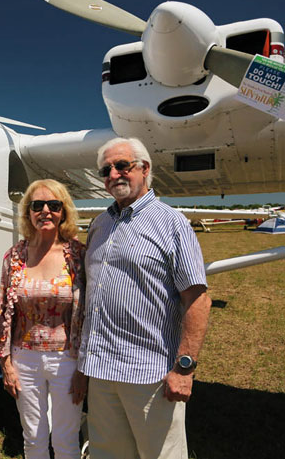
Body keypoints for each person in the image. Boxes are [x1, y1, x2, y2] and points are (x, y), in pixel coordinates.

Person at [77, 137, 212, 459]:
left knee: (161, 455)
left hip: (149, 372)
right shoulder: (100, 224)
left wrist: (184, 368)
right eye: (105, 170)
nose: (113, 174)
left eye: (122, 165)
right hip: (101, 368)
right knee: (108, 453)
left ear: (145, 169)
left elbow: (197, 298)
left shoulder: (171, 222)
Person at [0, 179, 87, 459]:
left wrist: (83, 369)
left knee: (65, 438)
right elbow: (3, 313)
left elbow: (89, 313)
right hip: (24, 359)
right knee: (32, 438)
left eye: (54, 205)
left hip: (67, 360)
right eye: (38, 205)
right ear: (28, 213)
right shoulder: (14, 257)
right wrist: (6, 363)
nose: (45, 211)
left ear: (64, 212)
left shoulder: (78, 256)